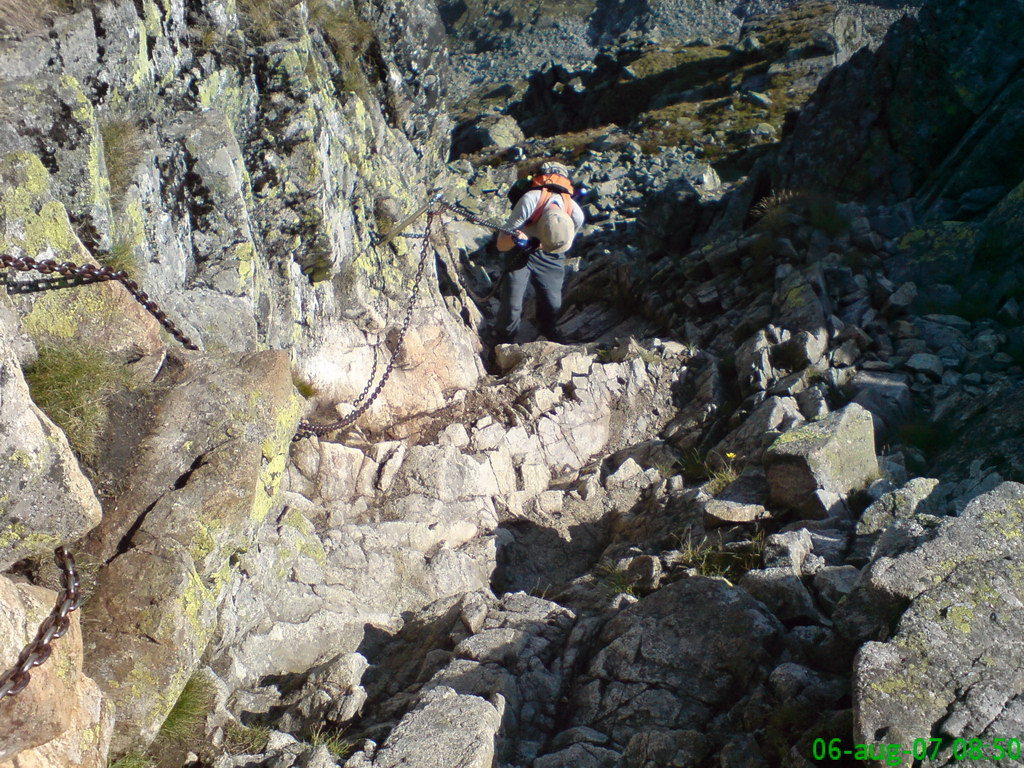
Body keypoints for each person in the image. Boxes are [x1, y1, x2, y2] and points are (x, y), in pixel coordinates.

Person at [493, 161, 586, 345]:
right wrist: (514, 239)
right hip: (519, 249)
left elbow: (562, 246)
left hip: (550, 254)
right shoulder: (530, 200)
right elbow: (501, 245)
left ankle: (548, 332)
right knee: (512, 304)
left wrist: (539, 245)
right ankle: (504, 341)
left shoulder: (576, 214)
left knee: (553, 302)